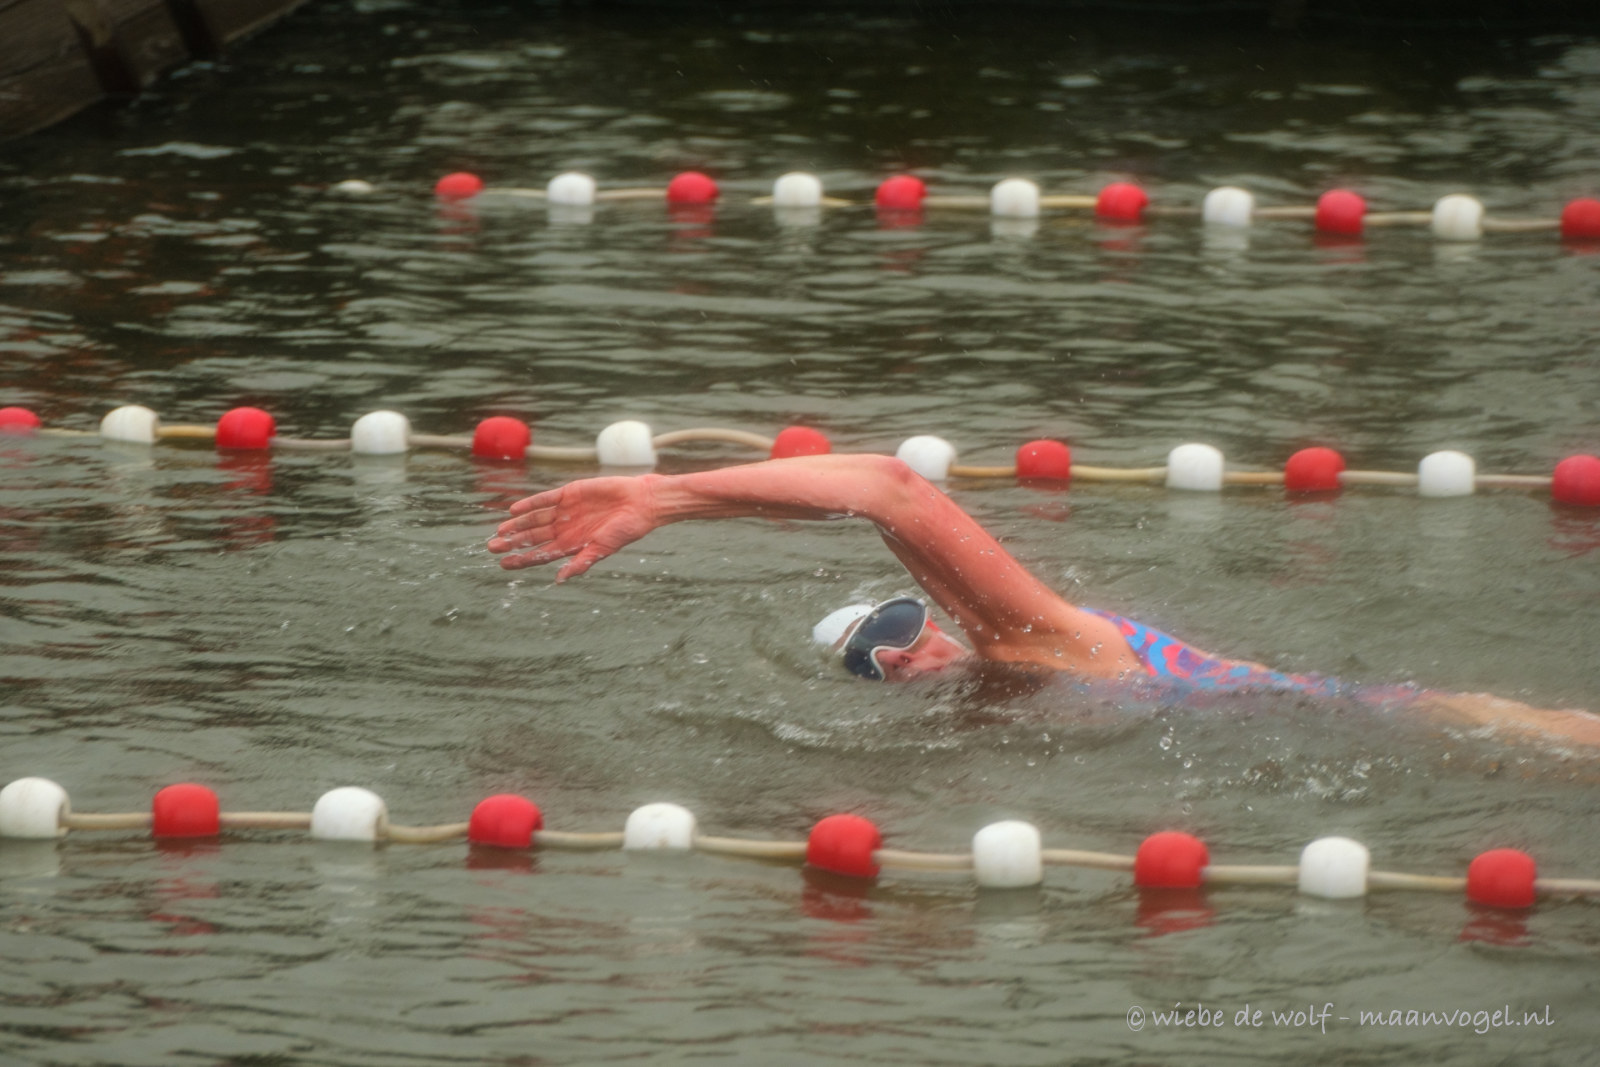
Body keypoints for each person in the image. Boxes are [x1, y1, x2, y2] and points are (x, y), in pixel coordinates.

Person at [488, 452, 1600, 748]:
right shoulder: (1014, 683)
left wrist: (670, 495)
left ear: (930, 615)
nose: (896, 656)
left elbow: (887, 491)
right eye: (870, 662)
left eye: (893, 628)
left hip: (1384, 722)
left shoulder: (1032, 638)